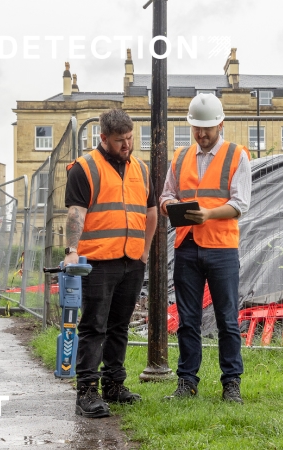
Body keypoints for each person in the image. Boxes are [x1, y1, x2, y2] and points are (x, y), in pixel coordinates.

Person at [63, 108, 158, 418]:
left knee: (119, 327)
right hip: (99, 262)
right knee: (94, 327)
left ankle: (114, 385)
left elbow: (151, 211)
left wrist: (145, 250)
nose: (126, 145)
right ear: (103, 138)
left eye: (130, 138)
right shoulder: (84, 168)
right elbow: (76, 213)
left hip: (132, 259)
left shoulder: (140, 170)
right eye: (120, 140)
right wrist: (71, 250)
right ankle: (86, 391)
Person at [159, 93, 251, 403]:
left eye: (207, 129)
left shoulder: (237, 155)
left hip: (222, 247)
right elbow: (166, 195)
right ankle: (187, 382)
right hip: (186, 245)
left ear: (220, 124)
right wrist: (170, 205)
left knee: (227, 318)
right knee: (187, 319)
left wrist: (209, 214)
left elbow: (241, 203)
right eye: (197, 128)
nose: (202, 134)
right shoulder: (181, 157)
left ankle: (231, 383)